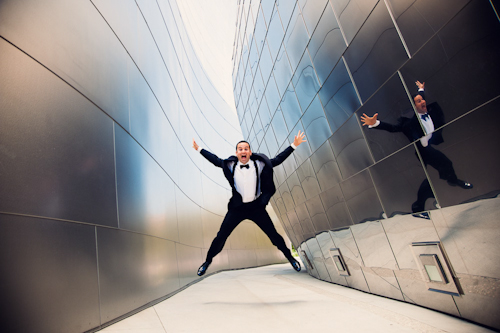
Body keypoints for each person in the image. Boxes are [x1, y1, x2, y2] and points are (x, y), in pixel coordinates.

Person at [192, 131, 307, 276]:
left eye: (246, 148)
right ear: (236, 152)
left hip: (256, 208)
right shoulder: (230, 165)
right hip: (237, 209)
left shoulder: (259, 163)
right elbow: (215, 160)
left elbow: (277, 160)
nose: (243, 151)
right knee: (221, 236)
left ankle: (290, 258)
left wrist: (294, 146)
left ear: (250, 152)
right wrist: (199, 149)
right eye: (240, 149)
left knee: (273, 235)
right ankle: (207, 261)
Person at [360, 81, 472, 214]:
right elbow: (393, 128)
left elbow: (422, 98)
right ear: (414, 106)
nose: (422, 102)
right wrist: (376, 123)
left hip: (429, 148)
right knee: (427, 179)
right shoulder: (409, 123)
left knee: (447, 163)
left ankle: (453, 181)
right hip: (421, 152)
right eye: (418, 101)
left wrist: (421, 89)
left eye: (422, 100)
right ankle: (418, 206)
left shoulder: (431, 110)